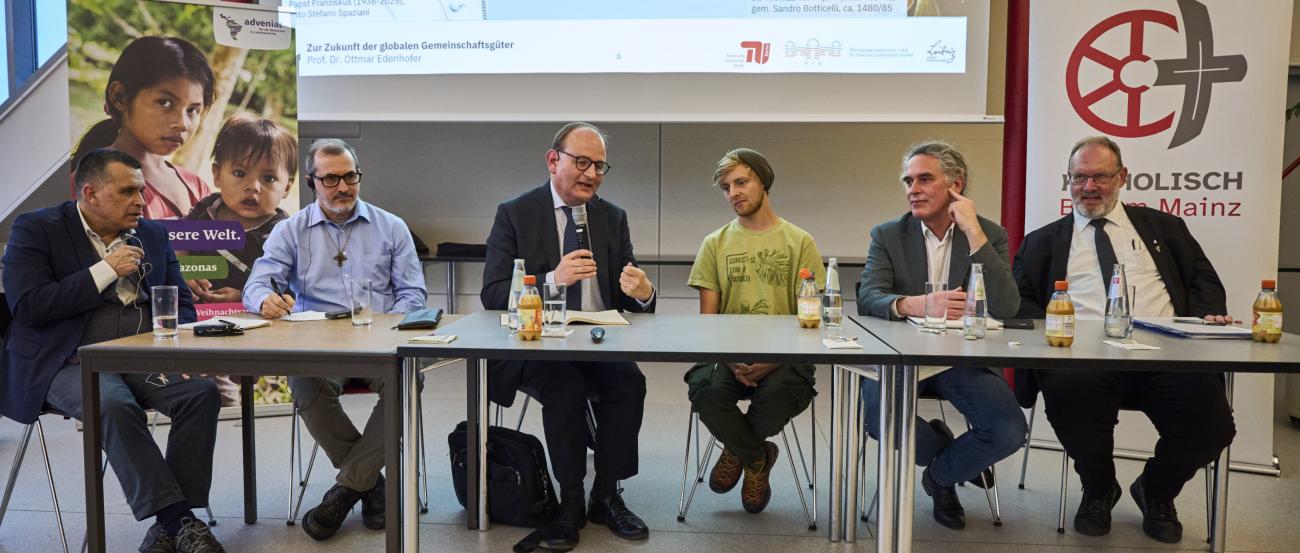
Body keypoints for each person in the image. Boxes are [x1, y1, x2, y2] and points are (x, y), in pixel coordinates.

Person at [1013, 136, 1236, 543]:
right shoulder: (1042, 242)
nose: (1089, 187)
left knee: (1213, 426)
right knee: (1070, 394)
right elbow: (1022, 304)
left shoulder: (1163, 227)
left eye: (1100, 176)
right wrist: (1058, 334)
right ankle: (1099, 489)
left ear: (1122, 177)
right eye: (1079, 177)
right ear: (1068, 181)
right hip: (1083, 356)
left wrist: (1205, 320)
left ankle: (1157, 489)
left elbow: (1203, 279)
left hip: (1167, 353)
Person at [0, 149, 224, 553]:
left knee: (200, 394)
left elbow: (183, 307)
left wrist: (182, 350)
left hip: (140, 357)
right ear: (90, 192)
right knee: (114, 404)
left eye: (142, 190)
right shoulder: (37, 229)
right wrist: (105, 270)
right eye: (128, 192)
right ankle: (179, 521)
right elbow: (28, 307)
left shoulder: (152, 234)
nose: (141, 201)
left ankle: (169, 528)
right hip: (66, 359)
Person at [481, 122, 655, 551]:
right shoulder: (515, 212)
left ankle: (606, 495)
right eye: (582, 162)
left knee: (628, 382)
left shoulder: (612, 217)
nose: (591, 174)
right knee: (565, 389)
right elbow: (491, 293)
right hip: (538, 344)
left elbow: (630, 298)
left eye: (599, 166)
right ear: (552, 160)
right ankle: (570, 501)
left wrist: (645, 293)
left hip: (597, 340)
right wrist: (549, 280)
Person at [243, 138, 426, 541]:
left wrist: (390, 321)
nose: (343, 187)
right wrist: (265, 300)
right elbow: (255, 284)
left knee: (408, 381)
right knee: (304, 383)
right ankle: (370, 485)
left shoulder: (391, 226)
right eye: (331, 180)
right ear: (312, 182)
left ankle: (345, 492)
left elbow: (414, 294)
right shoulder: (289, 230)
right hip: (318, 345)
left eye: (350, 177)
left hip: (378, 341)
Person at [856, 140, 1027, 530]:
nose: (912, 189)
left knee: (1008, 430)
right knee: (879, 420)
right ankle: (947, 452)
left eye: (925, 179)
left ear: (956, 185)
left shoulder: (988, 233)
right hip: (898, 355)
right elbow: (869, 296)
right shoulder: (888, 234)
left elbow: (1006, 306)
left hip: (960, 358)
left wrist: (973, 231)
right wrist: (916, 304)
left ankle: (939, 477)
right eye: (908, 180)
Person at [684, 148, 823, 514]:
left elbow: (808, 319)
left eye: (741, 182)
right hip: (727, 355)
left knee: (782, 391)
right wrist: (731, 362)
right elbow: (708, 323)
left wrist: (771, 361)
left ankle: (738, 450)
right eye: (726, 187)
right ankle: (758, 456)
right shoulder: (714, 244)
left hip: (786, 357)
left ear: (764, 181)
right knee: (706, 390)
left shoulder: (800, 242)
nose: (733, 193)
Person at [73, 36, 215, 219]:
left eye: (193, 110)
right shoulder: (92, 185)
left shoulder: (197, 186)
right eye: (165, 103)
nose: (182, 123)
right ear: (120, 97)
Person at [184, 114, 296, 306]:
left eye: (268, 178)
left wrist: (245, 297)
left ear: (286, 187)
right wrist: (185, 271)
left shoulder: (282, 233)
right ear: (218, 174)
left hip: (250, 320)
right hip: (193, 312)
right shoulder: (208, 208)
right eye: (239, 173)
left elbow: (287, 289)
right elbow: (179, 244)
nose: (253, 186)